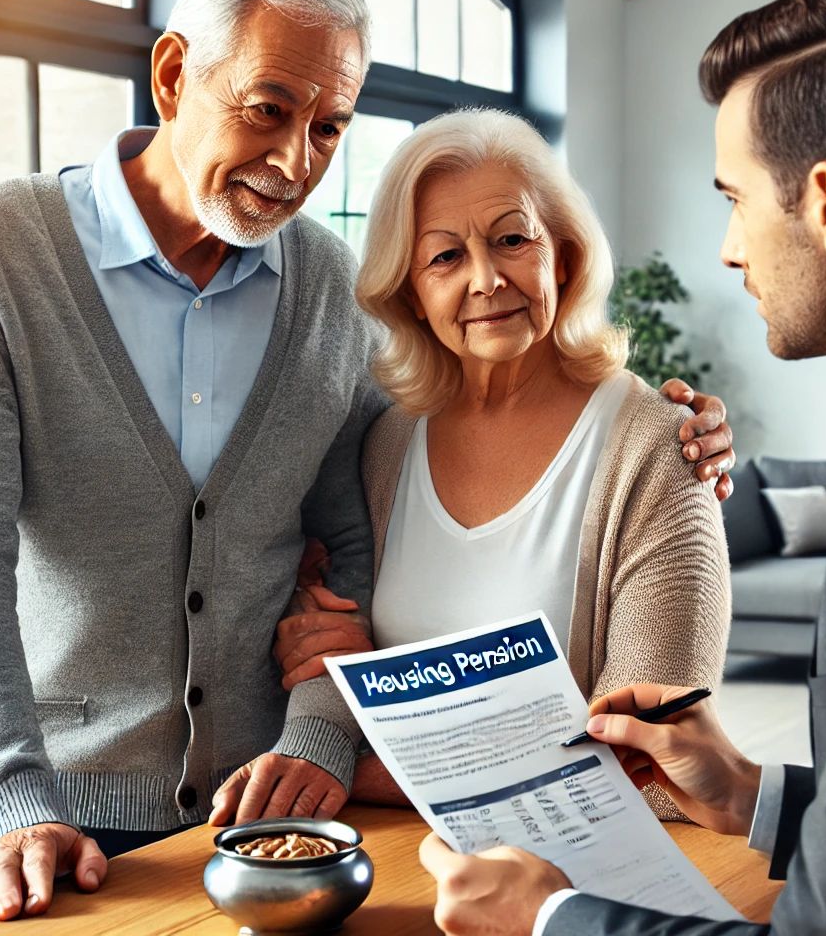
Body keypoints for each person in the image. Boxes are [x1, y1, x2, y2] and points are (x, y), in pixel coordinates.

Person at [0, 0, 736, 922]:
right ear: (172, 75)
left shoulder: (329, 291)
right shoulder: (12, 256)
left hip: (289, 824)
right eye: (269, 109)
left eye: (330, 127)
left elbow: (337, 553)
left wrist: (316, 742)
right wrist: (14, 797)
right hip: (60, 824)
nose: (295, 161)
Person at [417, 0, 826, 936]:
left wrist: (549, 916)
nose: (731, 248)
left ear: (825, 202)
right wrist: (750, 791)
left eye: (735, 199)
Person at [273, 109, 734, 817]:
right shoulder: (386, 443)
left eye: (512, 239)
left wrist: (371, 775)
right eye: (445, 256)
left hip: (576, 887)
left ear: (565, 257)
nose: (486, 279)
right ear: (412, 296)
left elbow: (660, 764)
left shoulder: (658, 450)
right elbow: (342, 644)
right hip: (395, 864)